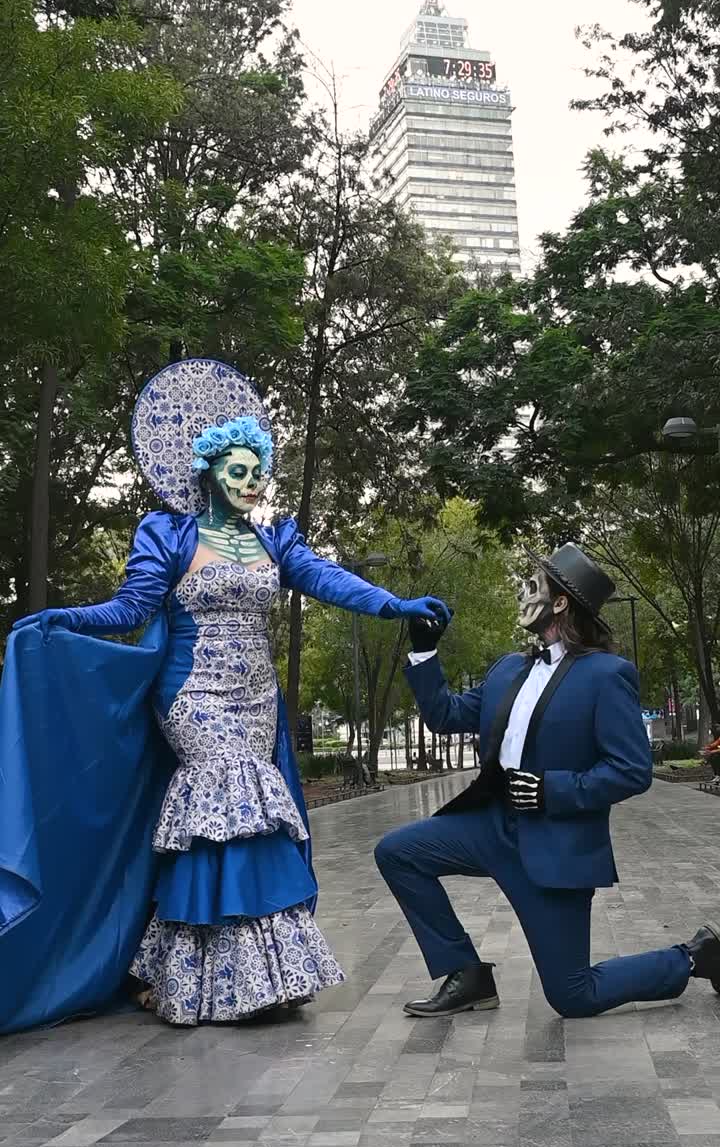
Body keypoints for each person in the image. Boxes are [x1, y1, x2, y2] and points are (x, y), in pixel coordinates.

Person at [0, 358, 449, 1031]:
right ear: (208, 473)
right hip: (193, 696)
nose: (250, 482)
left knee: (245, 820)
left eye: (256, 471)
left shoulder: (271, 542)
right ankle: (219, 979)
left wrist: (394, 604)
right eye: (237, 471)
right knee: (227, 793)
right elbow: (131, 608)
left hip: (255, 695)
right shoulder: (169, 535)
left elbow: (331, 581)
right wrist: (68, 617)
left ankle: (235, 975)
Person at [375, 543, 720, 1019]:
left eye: (533, 584)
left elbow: (631, 769)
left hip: (556, 847)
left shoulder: (607, 675)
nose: (522, 592)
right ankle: (468, 974)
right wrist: (423, 649)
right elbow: (445, 714)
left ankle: (695, 956)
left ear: (560, 602)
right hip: (489, 829)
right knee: (397, 852)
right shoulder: (508, 669)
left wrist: (552, 789)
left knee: (574, 996)